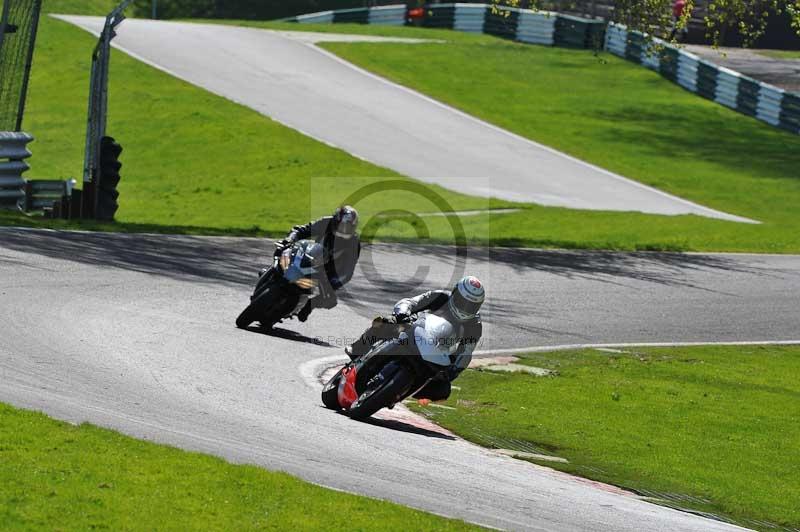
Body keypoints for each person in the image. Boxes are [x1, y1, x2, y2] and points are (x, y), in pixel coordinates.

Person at [346, 276, 485, 401]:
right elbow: (412, 302)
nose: (465, 308)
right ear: (455, 294)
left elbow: (466, 351)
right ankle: (357, 348)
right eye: (462, 302)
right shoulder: (440, 297)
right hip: (415, 330)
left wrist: (453, 370)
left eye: (472, 306)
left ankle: (402, 390)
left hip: (438, 353)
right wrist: (402, 313)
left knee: (443, 390)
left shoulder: (475, 325)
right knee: (385, 323)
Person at [275, 205, 360, 322]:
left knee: (330, 300)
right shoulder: (326, 222)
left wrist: (331, 283)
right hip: (310, 254)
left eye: (347, 227)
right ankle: (272, 272)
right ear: (335, 221)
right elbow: (302, 230)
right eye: (341, 225)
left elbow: (347, 270)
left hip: (326, 271)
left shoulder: (354, 243)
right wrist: (290, 239)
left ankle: (309, 305)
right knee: (283, 251)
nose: (343, 230)